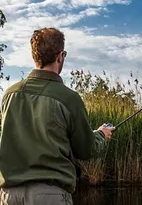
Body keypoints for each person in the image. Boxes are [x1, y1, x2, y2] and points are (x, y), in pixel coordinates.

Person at [0, 28, 115, 205]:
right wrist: (101, 134)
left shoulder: (9, 94)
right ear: (60, 56)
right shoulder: (68, 98)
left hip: (8, 196)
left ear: (35, 56)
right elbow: (86, 149)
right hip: (49, 195)